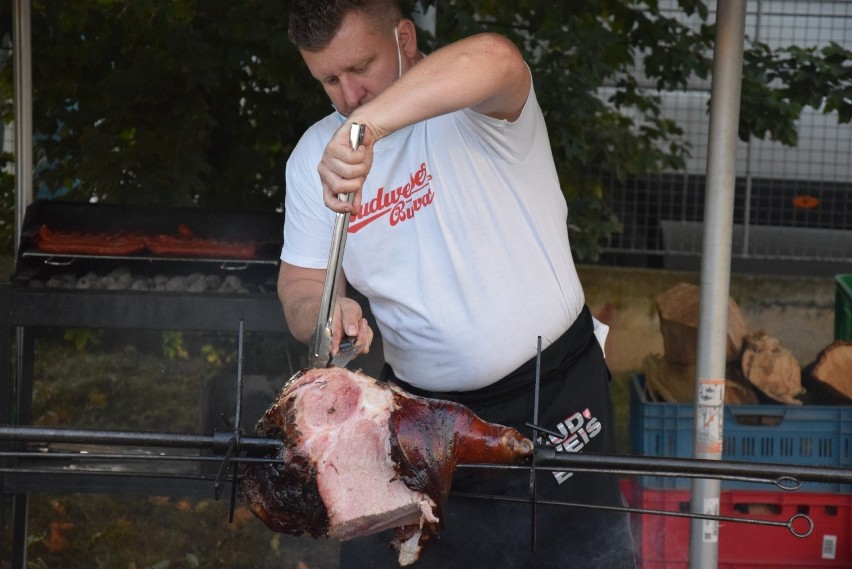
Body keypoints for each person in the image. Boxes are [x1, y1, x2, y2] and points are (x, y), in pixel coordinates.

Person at [278, 1, 636, 567]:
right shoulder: (312, 161)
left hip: (551, 396)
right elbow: (301, 283)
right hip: (417, 415)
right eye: (329, 79)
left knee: (578, 554)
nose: (348, 95)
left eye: (361, 66)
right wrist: (327, 310)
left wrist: (366, 127)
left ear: (404, 37)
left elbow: (498, 58)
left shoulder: (472, 107)